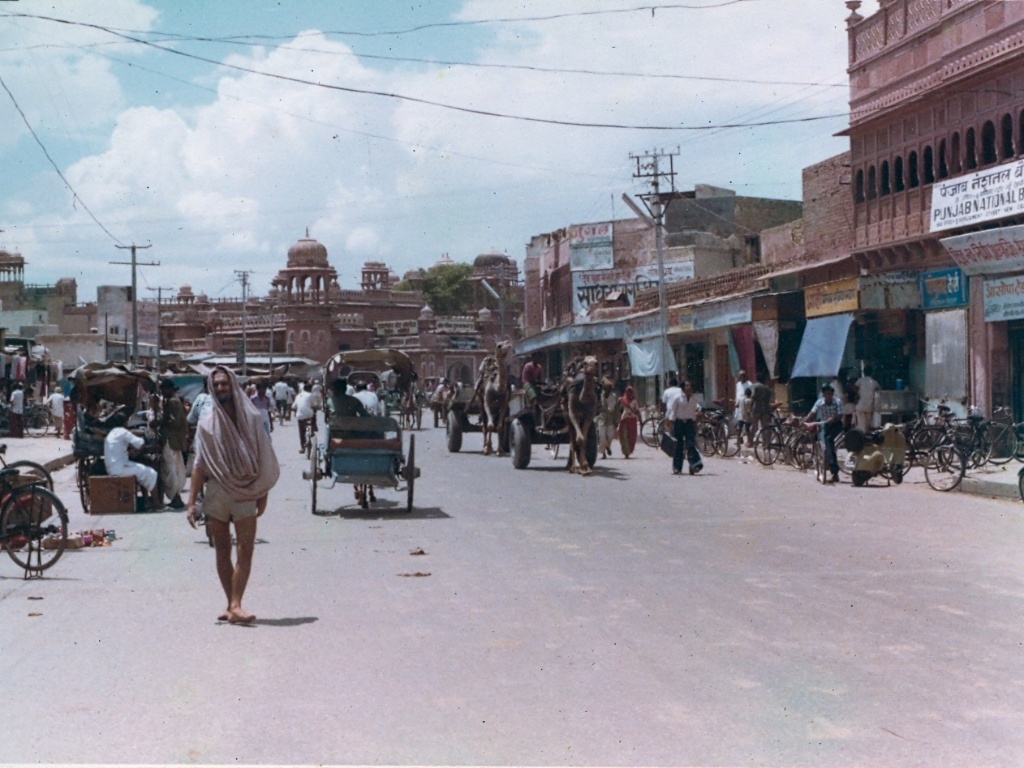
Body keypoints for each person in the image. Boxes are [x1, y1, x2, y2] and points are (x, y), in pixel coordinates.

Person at [187, 366, 280, 625]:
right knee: (222, 550)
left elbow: (264, 456)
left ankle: (236, 604)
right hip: (216, 492)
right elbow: (199, 465)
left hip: (246, 491)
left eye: (224, 384)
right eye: (215, 385)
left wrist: (263, 491)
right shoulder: (206, 425)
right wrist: (191, 502)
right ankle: (232, 605)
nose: (220, 389)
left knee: (246, 549)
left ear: (233, 385)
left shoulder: (251, 419)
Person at [104, 424, 160, 510]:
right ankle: (157, 503)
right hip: (120, 469)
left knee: (141, 470)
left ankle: (147, 502)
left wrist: (129, 452)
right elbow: (141, 443)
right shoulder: (123, 432)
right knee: (150, 473)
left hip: (112, 467)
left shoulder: (111, 433)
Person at [158, 379, 189, 509]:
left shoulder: (172, 402)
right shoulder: (173, 401)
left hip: (170, 440)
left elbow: (174, 423)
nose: (162, 393)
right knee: (175, 469)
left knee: (170, 470)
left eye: (163, 390)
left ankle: (175, 497)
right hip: (174, 440)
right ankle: (176, 496)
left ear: (168, 389)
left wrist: (159, 422)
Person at [806, 382, 844, 483]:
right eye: (826, 394)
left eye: (830, 394)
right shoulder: (819, 402)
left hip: (836, 424)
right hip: (826, 424)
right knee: (827, 445)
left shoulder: (837, 401)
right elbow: (813, 412)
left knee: (829, 440)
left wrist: (833, 418)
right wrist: (806, 419)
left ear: (832, 394)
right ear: (823, 395)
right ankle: (829, 464)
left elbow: (840, 415)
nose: (829, 396)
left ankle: (834, 471)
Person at [665, 378, 703, 475]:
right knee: (679, 446)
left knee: (691, 445)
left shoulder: (693, 399)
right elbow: (673, 411)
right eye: (687, 386)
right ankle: (677, 468)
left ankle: (693, 465)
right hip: (679, 423)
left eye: (690, 386)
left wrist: (695, 422)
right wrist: (670, 423)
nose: (689, 387)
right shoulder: (677, 398)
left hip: (689, 423)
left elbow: (695, 411)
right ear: (683, 388)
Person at [293, 382, 320, 454]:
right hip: (309, 416)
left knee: (301, 432)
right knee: (313, 413)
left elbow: (293, 406)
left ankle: (302, 447)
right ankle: (313, 426)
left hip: (300, 416)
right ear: (309, 389)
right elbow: (315, 405)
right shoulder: (310, 395)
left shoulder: (298, 396)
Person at [597, 378, 620, 459]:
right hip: (602, 419)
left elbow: (614, 408)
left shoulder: (613, 396)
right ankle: (603, 453)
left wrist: (617, 420)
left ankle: (607, 446)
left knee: (610, 436)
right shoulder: (600, 396)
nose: (607, 390)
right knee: (602, 437)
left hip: (610, 419)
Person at [617, 385, 641, 459]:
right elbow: (618, 410)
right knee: (623, 436)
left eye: (631, 392)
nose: (629, 393)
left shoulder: (634, 401)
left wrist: (641, 420)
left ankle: (629, 451)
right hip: (624, 419)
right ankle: (626, 452)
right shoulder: (623, 400)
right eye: (628, 392)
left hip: (632, 420)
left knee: (631, 437)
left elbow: (637, 411)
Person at [855, 366, 881, 432]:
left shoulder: (860, 380)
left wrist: (858, 394)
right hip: (869, 407)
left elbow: (854, 387)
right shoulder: (874, 382)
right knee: (867, 426)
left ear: (864, 372)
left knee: (861, 426)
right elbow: (879, 390)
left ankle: (861, 439)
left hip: (860, 406)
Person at [750, 374, 774, 443]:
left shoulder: (755, 386)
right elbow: (770, 399)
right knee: (765, 427)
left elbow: (753, 397)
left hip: (756, 409)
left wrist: (749, 408)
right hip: (765, 410)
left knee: (754, 426)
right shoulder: (767, 388)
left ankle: (750, 442)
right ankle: (765, 443)